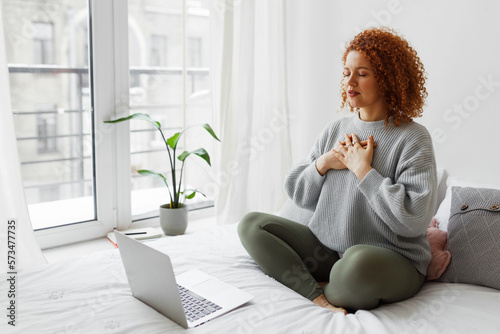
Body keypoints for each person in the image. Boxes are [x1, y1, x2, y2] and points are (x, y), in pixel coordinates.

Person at [237, 27, 437, 314]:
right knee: (251, 225)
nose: (349, 81)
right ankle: (318, 295)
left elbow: (413, 220)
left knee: (356, 264)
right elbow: (298, 194)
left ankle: (313, 285)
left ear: (387, 78)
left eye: (362, 73)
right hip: (329, 252)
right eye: (346, 72)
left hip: (392, 260)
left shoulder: (413, 138)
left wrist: (363, 171)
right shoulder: (336, 129)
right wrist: (324, 163)